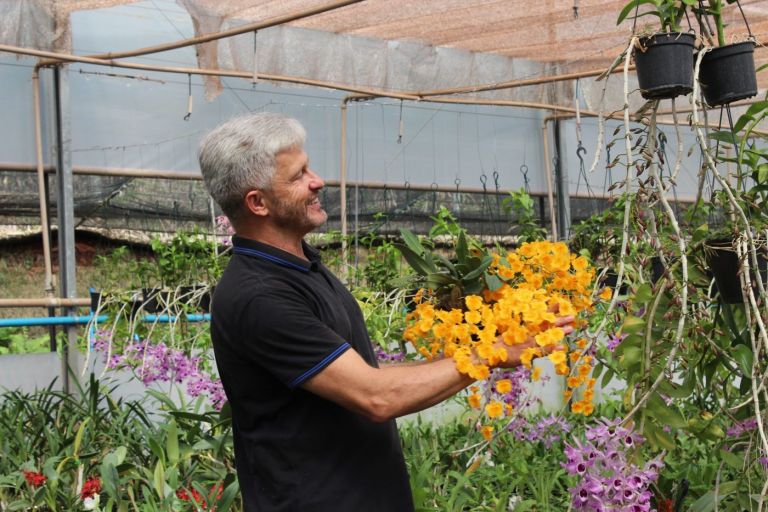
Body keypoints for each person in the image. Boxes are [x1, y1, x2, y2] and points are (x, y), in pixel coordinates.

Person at [198, 112, 574, 512]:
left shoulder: (301, 266)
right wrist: (493, 353)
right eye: (298, 175)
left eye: (308, 167)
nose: (317, 180)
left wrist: (496, 343)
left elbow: (368, 376)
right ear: (257, 203)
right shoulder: (261, 296)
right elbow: (376, 397)